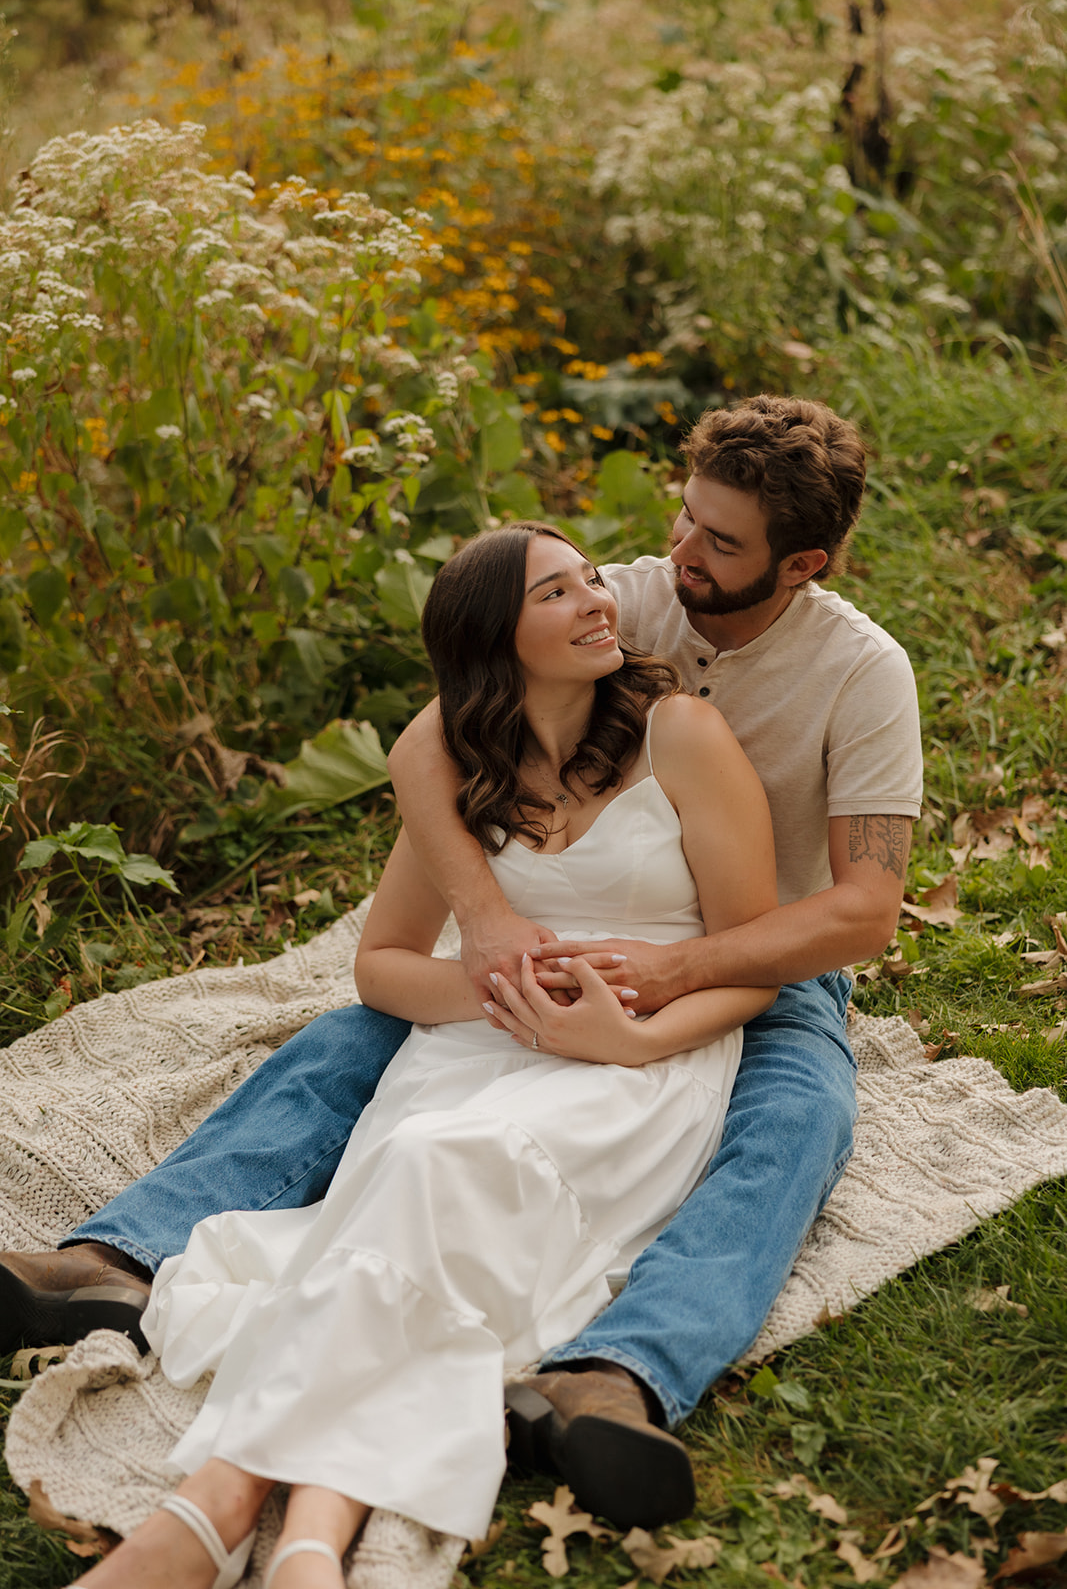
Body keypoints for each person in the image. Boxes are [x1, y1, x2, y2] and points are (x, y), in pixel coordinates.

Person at [0, 393, 923, 1529]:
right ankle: (121, 1254)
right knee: (348, 1040)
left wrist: (664, 982)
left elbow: (864, 909)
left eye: (718, 543)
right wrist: (483, 921)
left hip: (758, 956)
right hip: (548, 943)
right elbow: (429, 736)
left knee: (796, 1124)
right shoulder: (627, 594)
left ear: (800, 562)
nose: (677, 554)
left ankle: (614, 1373)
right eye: (683, 519)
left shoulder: (859, 675)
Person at [71, 521, 778, 1589]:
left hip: (640, 1066)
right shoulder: (459, 765)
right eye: (556, 592)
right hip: (473, 1050)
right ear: (494, 634)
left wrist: (625, 1038)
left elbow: (749, 964)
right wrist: (501, 996)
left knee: (427, 1171)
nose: (598, 602)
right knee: (417, 1188)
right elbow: (385, 965)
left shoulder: (678, 733)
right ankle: (308, 1531)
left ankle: (206, 1511)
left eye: (593, 580)